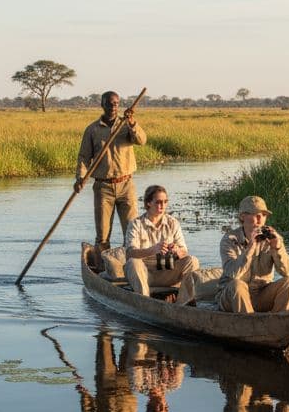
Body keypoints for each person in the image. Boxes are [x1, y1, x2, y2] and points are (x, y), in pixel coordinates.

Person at [74, 91, 146, 250]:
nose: (113, 107)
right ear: (102, 105)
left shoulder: (126, 125)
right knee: (102, 237)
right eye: (109, 103)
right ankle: (103, 271)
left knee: (131, 233)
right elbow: (84, 157)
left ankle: (130, 267)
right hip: (103, 188)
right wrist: (80, 178)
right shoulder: (92, 130)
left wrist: (132, 123)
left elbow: (141, 140)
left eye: (116, 103)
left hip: (126, 185)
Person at [216, 195, 289, 313]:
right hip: (233, 297)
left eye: (263, 215)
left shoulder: (272, 238)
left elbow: (287, 271)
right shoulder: (229, 239)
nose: (260, 219)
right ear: (243, 217)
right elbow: (233, 274)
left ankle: (279, 322)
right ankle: (249, 323)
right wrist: (250, 248)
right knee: (237, 284)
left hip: (261, 293)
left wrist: (277, 248)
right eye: (256, 215)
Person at [123, 185, 200, 303]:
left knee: (192, 261)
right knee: (133, 263)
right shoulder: (136, 224)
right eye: (158, 202)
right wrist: (152, 250)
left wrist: (177, 250)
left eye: (165, 202)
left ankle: (184, 301)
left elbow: (184, 252)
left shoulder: (173, 222)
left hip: (166, 272)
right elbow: (130, 254)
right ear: (148, 203)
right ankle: (146, 302)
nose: (162, 206)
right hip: (144, 274)